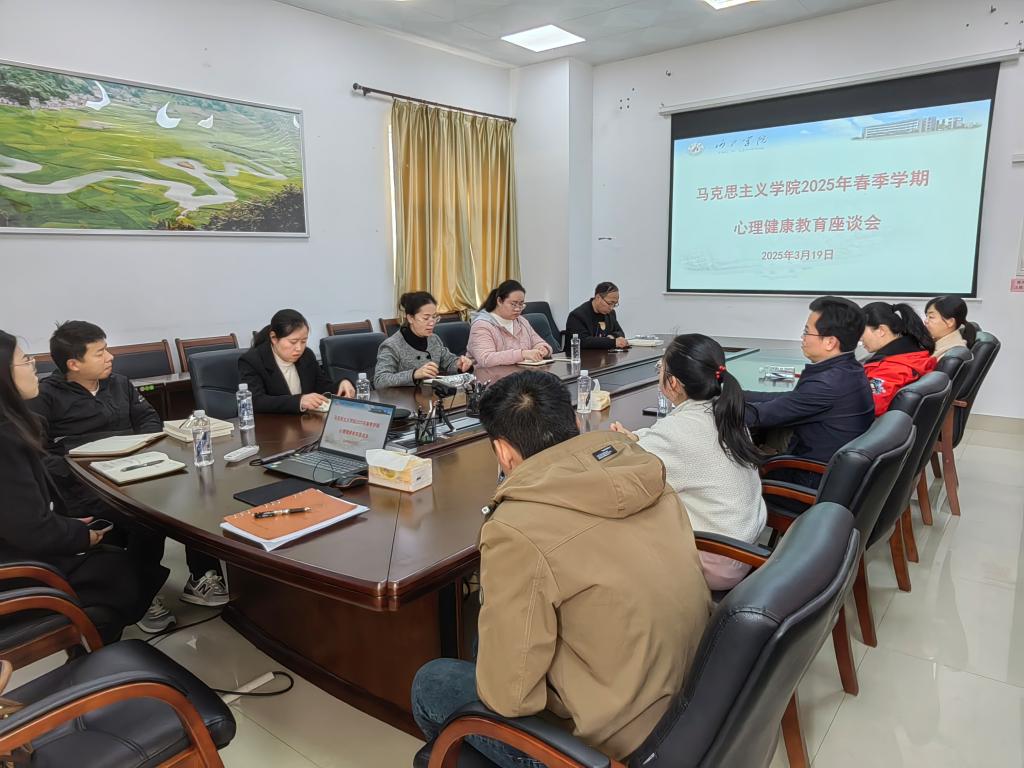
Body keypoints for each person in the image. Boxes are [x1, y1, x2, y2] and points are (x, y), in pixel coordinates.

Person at [411, 371, 711, 768]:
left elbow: (509, 700)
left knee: (432, 682)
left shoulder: (516, 528)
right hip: (686, 703)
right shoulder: (643, 470)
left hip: (610, 748)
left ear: (503, 452)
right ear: (571, 423)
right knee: (489, 644)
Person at [29, 321, 227, 626]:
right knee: (146, 521)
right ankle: (139, 596)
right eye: (100, 352)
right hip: (85, 485)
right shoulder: (45, 396)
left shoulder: (119, 383)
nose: (110, 357)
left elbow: (149, 419)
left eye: (107, 349)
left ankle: (201, 577)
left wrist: (139, 448)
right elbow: (40, 454)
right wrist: (77, 471)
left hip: (137, 470)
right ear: (73, 363)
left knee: (196, 497)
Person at [1, 330, 166, 643]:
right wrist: (78, 534)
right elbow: (29, 524)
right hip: (24, 568)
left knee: (143, 532)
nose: (34, 365)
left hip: (37, 540)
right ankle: (95, 652)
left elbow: (149, 418)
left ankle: (101, 644)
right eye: (25, 360)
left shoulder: (119, 383)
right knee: (126, 572)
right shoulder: (10, 435)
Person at [610, 334, 766, 590]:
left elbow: (630, 466)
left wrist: (624, 443)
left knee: (617, 518)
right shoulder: (724, 413)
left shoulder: (680, 430)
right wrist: (637, 437)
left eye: (660, 368)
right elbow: (671, 441)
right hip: (744, 547)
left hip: (714, 558)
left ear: (673, 382)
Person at [744, 296, 874, 488]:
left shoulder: (826, 384)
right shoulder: (849, 370)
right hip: (832, 472)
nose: (802, 338)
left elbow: (761, 416)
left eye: (807, 332)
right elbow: (789, 401)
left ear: (830, 342)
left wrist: (712, 407)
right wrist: (739, 394)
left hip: (810, 480)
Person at [239, 309, 355, 413]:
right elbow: (256, 401)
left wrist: (341, 385)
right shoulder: (253, 361)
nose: (299, 348)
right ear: (274, 338)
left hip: (305, 423)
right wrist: (299, 401)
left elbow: (322, 386)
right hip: (271, 426)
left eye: (303, 341)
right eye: (293, 342)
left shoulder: (306, 355)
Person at [373, 292, 472, 389]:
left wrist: (459, 364)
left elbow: (449, 362)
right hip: (403, 398)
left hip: (431, 396)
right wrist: (414, 374)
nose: (432, 323)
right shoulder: (392, 345)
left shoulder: (433, 339)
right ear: (410, 318)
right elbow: (380, 380)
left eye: (434, 317)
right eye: (426, 318)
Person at [861, 302, 937, 416]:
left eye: (861, 331)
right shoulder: (915, 355)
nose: (860, 338)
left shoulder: (889, 370)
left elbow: (869, 408)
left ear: (881, 330)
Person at [466, 280, 552, 368]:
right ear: (499, 301)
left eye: (521, 304)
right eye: (513, 304)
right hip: (490, 375)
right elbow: (486, 359)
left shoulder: (521, 321)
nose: (518, 309)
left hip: (521, 373)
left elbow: (538, 342)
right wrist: (522, 354)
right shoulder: (481, 325)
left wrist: (543, 349)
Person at [565, 281, 628, 351]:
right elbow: (583, 341)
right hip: (582, 356)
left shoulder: (610, 313)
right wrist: (612, 342)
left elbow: (620, 333)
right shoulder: (577, 316)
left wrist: (612, 336)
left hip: (604, 355)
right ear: (598, 298)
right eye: (610, 303)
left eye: (615, 304)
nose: (611, 307)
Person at [924, 295, 976, 359]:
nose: (925, 321)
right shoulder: (937, 342)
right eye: (926, 316)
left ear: (950, 322)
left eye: (931, 317)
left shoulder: (949, 354)